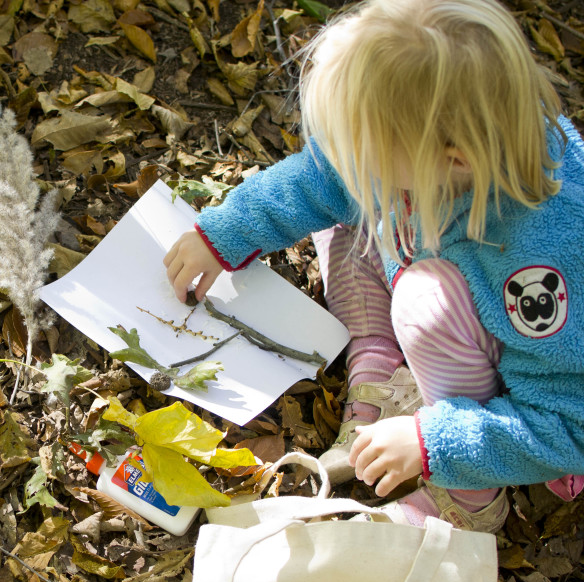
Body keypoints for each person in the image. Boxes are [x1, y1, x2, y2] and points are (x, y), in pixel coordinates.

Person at [163, 0, 584, 532]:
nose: (346, 159)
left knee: (423, 301)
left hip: (509, 374)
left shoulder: (543, 257)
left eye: (365, 149)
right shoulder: (436, 150)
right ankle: (381, 359)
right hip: (436, 266)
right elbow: (323, 179)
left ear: (455, 158)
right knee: (345, 208)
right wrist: (228, 233)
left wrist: (436, 442)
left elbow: (571, 424)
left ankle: (471, 499)